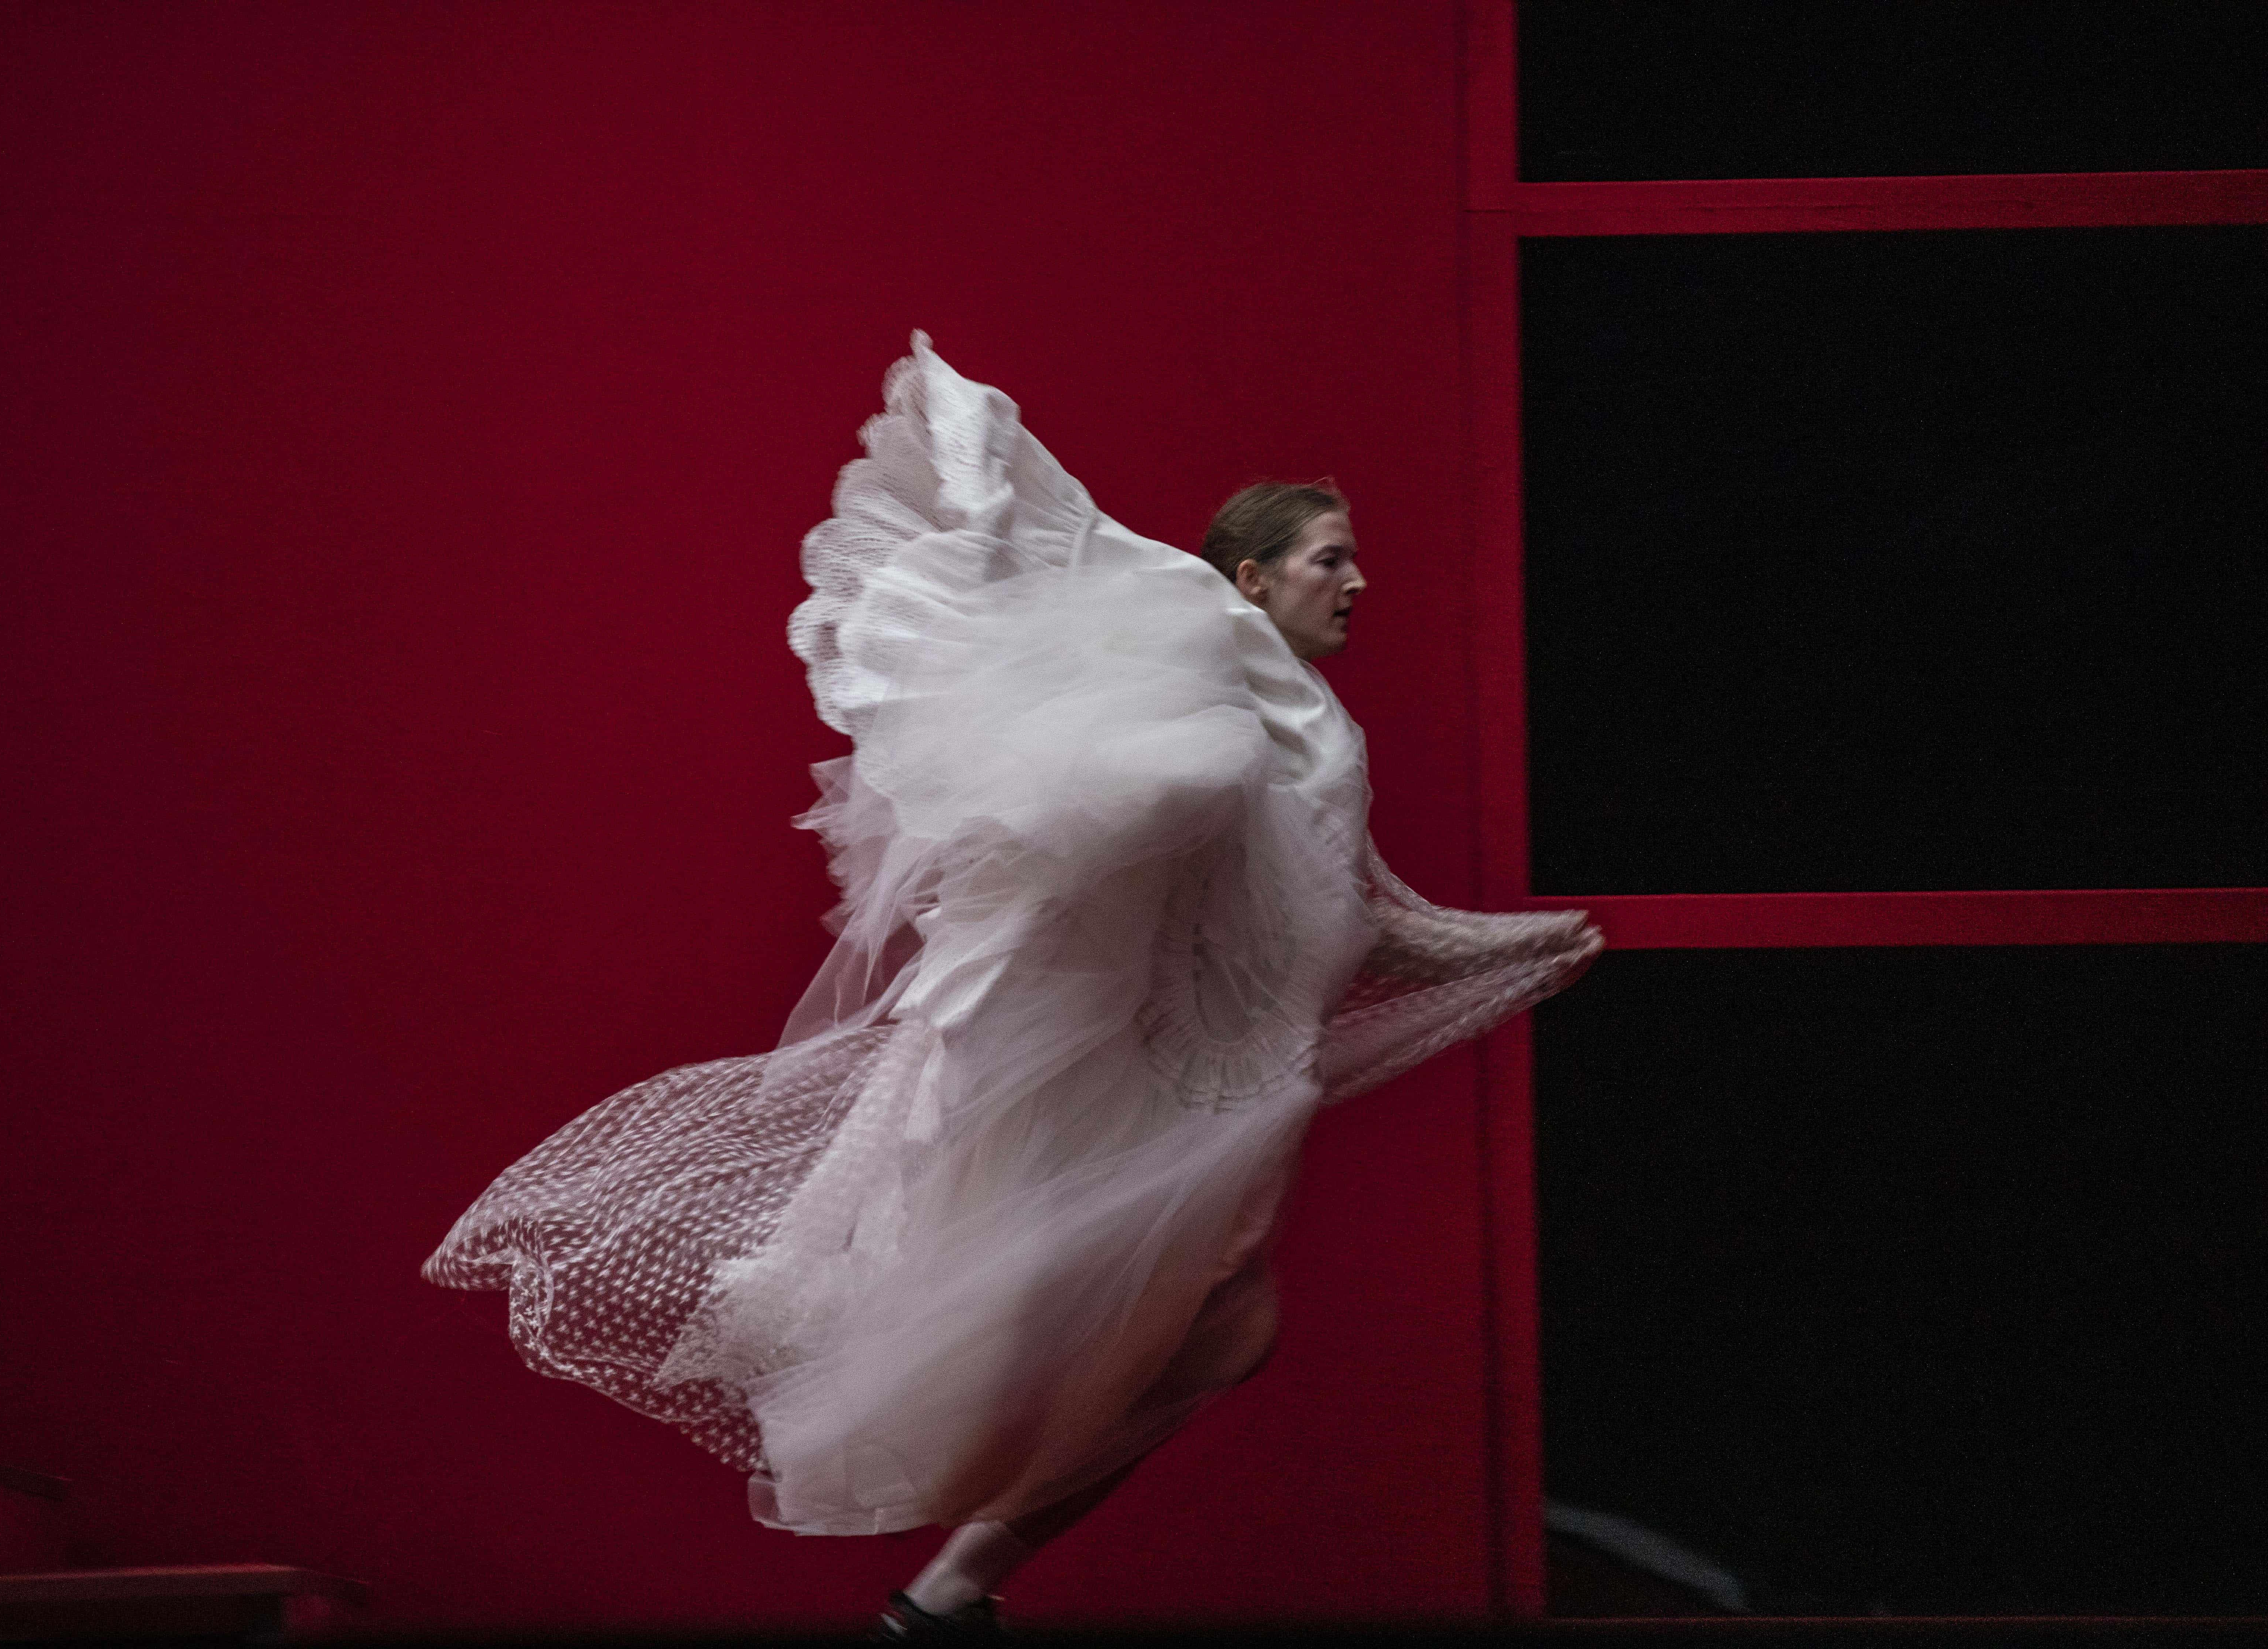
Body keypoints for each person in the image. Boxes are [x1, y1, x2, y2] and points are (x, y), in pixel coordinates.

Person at [424, 334, 1602, 1638]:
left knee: (1210, 1340)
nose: (1360, 581)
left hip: (1243, 1088)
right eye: (1333, 558)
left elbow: (1357, 917)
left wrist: (1533, 946)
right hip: (1175, 1089)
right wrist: (982, 455)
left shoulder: (1318, 732)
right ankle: (942, 1579)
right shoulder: (1208, 639)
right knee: (1136, 1330)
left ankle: (947, 1594)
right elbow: (1086, 559)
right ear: (1255, 578)